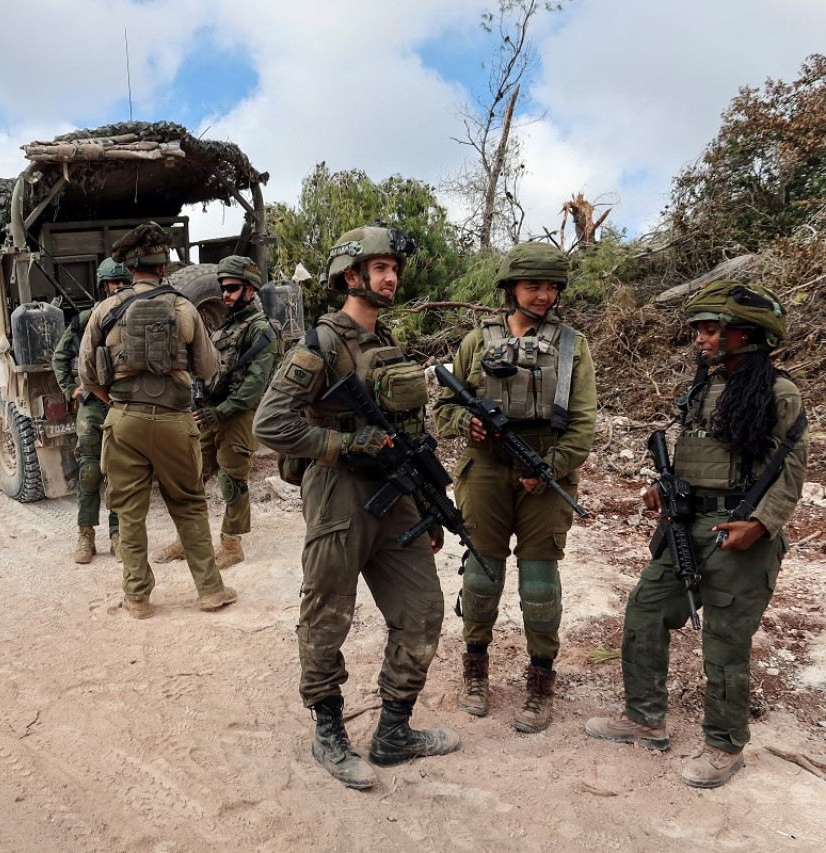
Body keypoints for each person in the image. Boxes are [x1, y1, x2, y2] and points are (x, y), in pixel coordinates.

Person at [254, 223, 458, 790]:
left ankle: (394, 731)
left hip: (395, 499)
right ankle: (328, 731)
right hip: (339, 494)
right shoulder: (318, 346)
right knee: (327, 615)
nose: (391, 277)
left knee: (422, 612)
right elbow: (270, 423)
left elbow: (407, 432)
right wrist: (342, 444)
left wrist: (427, 504)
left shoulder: (386, 342)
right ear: (352, 276)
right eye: (380, 268)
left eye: (395, 268)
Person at [586, 280, 807, 789]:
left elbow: (792, 466)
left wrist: (762, 523)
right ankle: (644, 718)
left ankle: (725, 745)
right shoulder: (704, 387)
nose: (700, 340)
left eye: (711, 330)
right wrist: (663, 489)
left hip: (741, 528)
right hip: (686, 523)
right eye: (699, 331)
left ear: (745, 335)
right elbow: (697, 452)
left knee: (725, 640)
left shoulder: (779, 392)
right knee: (645, 609)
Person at [431, 242, 596, 734]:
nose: (544, 295)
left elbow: (584, 422)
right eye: (533, 286)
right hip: (483, 468)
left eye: (551, 287)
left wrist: (551, 465)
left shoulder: (572, 346)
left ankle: (540, 678)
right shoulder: (476, 342)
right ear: (510, 289)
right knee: (482, 575)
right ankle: (475, 668)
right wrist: (467, 423)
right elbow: (442, 410)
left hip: (545, 470)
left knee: (540, 584)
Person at [77, 222, 237, 619]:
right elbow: (207, 367)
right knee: (189, 505)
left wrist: (115, 402)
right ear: (164, 266)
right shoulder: (183, 307)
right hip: (174, 422)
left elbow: (86, 375)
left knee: (129, 511)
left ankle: (137, 598)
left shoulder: (106, 310)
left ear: (129, 268)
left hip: (123, 421)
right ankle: (211, 591)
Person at [153, 255, 279, 570]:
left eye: (233, 288)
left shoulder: (261, 330)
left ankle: (232, 545)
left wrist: (220, 412)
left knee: (231, 479)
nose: (225, 294)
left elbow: (254, 386)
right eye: (223, 288)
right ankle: (187, 539)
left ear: (250, 289)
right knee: (193, 475)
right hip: (211, 410)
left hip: (236, 414)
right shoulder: (228, 325)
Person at [52, 258, 133, 564]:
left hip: (122, 403)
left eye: (125, 282)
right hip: (92, 404)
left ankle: (118, 535)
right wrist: (68, 390)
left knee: (119, 472)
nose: (121, 288)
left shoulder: (135, 318)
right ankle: (86, 534)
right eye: (115, 283)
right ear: (104, 286)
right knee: (89, 472)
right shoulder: (85, 320)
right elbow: (60, 357)